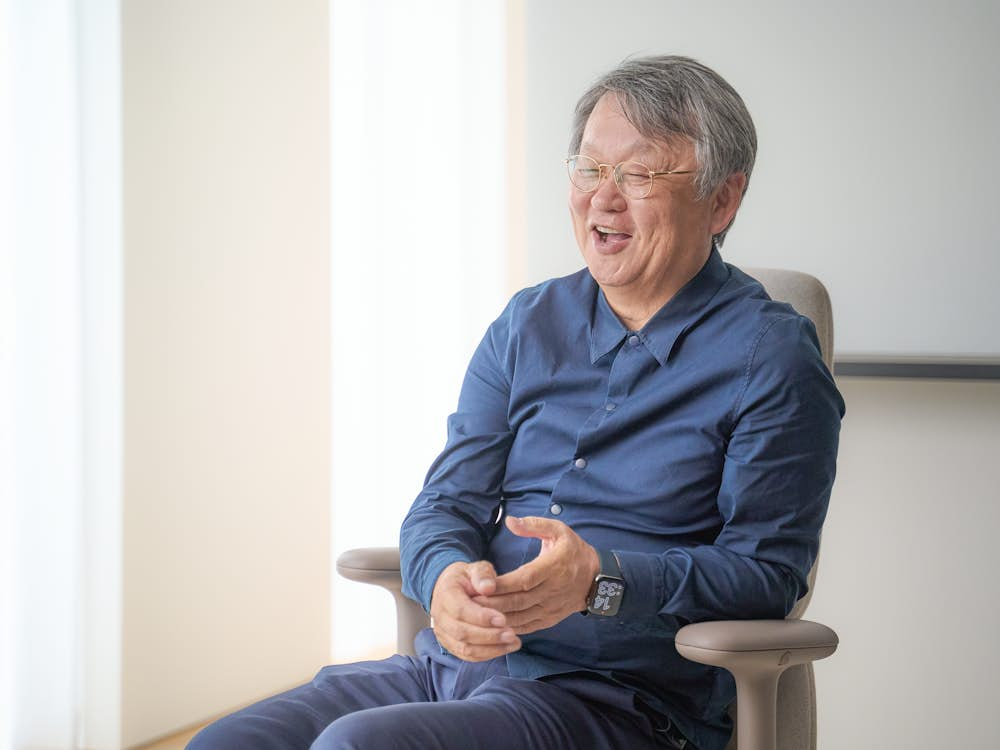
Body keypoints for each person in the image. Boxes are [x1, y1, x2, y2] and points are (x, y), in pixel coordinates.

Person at [189, 54, 844, 750]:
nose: (603, 198)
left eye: (640, 173)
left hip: (616, 702)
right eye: (589, 169)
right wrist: (443, 577)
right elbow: (443, 506)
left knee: (356, 748)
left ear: (722, 199)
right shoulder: (529, 323)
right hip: (453, 672)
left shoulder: (771, 355)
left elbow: (767, 576)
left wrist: (601, 581)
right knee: (226, 744)